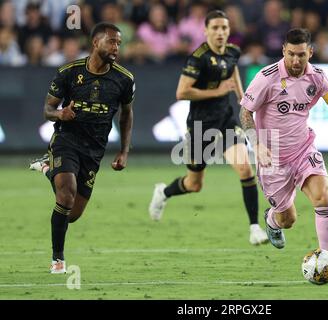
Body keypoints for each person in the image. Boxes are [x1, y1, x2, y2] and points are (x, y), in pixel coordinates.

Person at [240, 28, 328, 280]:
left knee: (322, 197)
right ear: (283, 51)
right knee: (288, 218)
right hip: (272, 159)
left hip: (303, 149)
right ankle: (272, 221)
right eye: (291, 54)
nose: (296, 61)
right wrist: (256, 144)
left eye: (301, 55)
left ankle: (327, 259)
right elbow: (245, 113)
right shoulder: (266, 78)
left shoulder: (318, 77)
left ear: (310, 52)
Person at [149, 10, 268, 246]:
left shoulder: (233, 51)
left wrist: (242, 98)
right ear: (206, 31)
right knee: (195, 184)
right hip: (200, 125)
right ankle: (163, 193)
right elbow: (181, 92)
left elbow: (232, 71)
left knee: (245, 170)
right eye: (215, 28)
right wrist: (218, 91)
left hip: (225, 121)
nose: (220, 32)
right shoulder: (198, 57)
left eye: (224, 28)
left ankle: (255, 228)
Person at [29, 22, 135, 273]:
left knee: (72, 214)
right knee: (66, 193)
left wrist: (124, 151)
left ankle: (46, 167)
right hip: (67, 140)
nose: (116, 47)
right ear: (96, 43)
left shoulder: (124, 79)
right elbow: (47, 110)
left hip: (94, 149)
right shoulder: (68, 72)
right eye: (112, 41)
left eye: (119, 43)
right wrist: (60, 114)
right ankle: (58, 260)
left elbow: (126, 116)